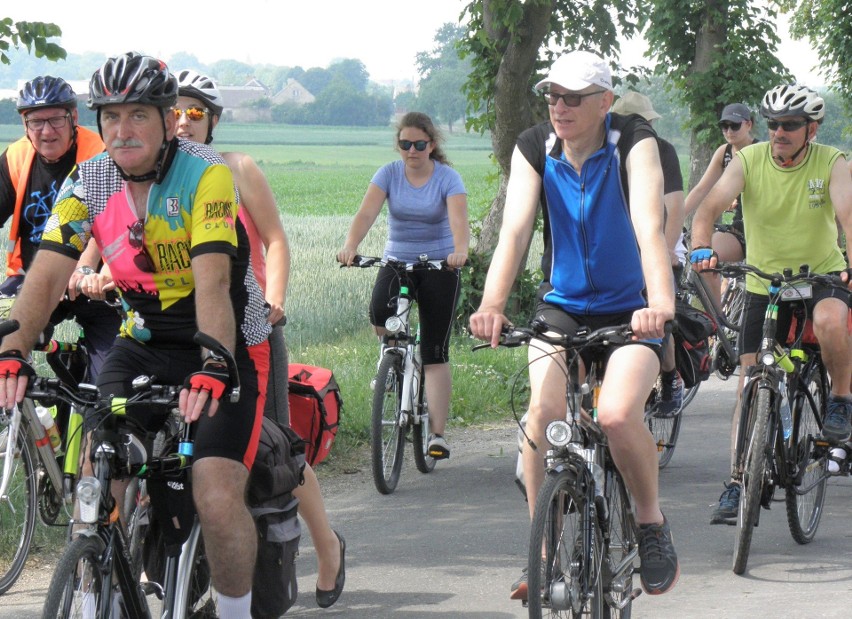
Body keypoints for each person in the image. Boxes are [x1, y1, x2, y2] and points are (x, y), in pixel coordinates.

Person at [0, 52, 272, 619]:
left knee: (216, 495)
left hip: (221, 342)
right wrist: (11, 349)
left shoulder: (206, 174)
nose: (122, 131)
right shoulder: (91, 180)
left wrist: (215, 363)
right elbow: (47, 273)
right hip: (141, 337)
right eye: (110, 117)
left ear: (169, 117)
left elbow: (215, 285)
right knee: (99, 477)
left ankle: (236, 610)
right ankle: (95, 586)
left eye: (138, 116)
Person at [469, 50, 679, 599]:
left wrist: (659, 301)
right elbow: (514, 232)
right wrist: (492, 304)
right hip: (563, 306)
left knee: (613, 414)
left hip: (631, 307)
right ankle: (542, 551)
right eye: (552, 96)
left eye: (573, 97)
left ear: (604, 101)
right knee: (542, 409)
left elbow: (649, 227)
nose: (559, 107)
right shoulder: (535, 147)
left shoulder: (631, 140)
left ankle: (651, 523)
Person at [175, 69, 345, 608]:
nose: (183, 122)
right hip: (188, 335)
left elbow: (273, 238)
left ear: (214, 121)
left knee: (274, 449)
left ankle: (327, 548)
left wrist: (276, 298)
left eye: (195, 113)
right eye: (174, 111)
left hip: (251, 330)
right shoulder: (155, 178)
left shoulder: (236, 169)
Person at [691, 84, 851, 525]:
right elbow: (709, 207)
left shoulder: (832, 163)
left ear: (811, 129)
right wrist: (702, 244)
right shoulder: (749, 160)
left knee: (832, 320)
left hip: (820, 277)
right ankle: (740, 478)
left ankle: (840, 398)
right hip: (767, 284)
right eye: (774, 124)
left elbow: (849, 215)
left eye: (790, 125)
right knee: (750, 381)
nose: (779, 132)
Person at [337, 111, 469, 459]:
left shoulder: (447, 178)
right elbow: (366, 213)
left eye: (419, 144)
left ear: (432, 145)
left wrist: (459, 251)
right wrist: (351, 245)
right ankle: (390, 363)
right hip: (397, 260)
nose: (412, 150)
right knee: (379, 312)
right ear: (398, 145)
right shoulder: (388, 174)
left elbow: (458, 220)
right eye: (405, 144)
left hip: (439, 263)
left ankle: (437, 435)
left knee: (435, 351)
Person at [0, 75, 120, 378]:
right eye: (36, 122)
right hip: (32, 281)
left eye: (55, 119)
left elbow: (108, 220)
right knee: (4, 346)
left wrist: (86, 269)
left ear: (74, 117)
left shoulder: (102, 155)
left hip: (94, 285)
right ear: (25, 124)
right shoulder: (16, 157)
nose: (46, 131)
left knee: (111, 383)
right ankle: (29, 421)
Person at [611, 91, 686, 416]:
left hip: (657, 244)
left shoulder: (661, 150)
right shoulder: (603, 150)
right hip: (618, 247)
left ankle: (670, 377)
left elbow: (674, 206)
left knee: (657, 319)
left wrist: (667, 250)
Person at [685, 103, 759, 310]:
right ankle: (717, 323)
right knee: (706, 261)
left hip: (764, 229)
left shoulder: (762, 150)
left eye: (734, 126)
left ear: (748, 125)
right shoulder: (724, 152)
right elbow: (701, 189)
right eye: (724, 126)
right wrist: (674, 217)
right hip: (740, 228)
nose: (728, 131)